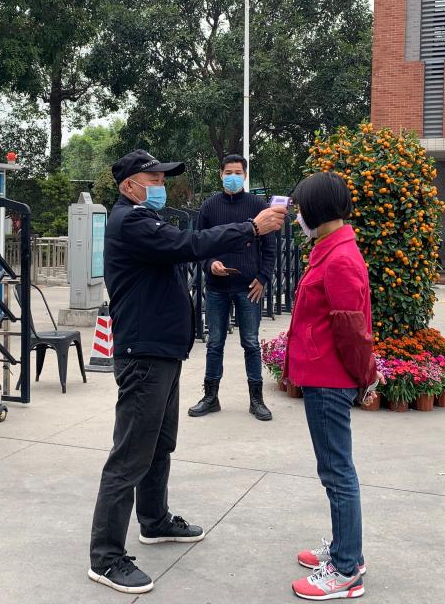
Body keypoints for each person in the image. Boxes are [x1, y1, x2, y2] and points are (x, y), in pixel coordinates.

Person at [89, 149, 287, 595]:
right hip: (144, 353)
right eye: (154, 180)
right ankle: (105, 556)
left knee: (159, 444)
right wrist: (251, 228)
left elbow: (183, 246)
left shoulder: (146, 219)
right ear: (129, 186)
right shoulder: (131, 222)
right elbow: (190, 245)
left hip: (163, 350)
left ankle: (154, 519)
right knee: (129, 455)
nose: (161, 185)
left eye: (163, 179)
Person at [285, 171, 383, 601]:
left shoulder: (339, 257)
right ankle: (347, 552)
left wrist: (366, 376)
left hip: (328, 379)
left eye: (301, 209)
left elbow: (352, 329)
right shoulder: (330, 249)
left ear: (317, 211)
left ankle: (345, 571)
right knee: (335, 471)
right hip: (322, 374)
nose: (298, 217)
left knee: (337, 473)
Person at [189, 154, 276, 421]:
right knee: (215, 342)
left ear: (245, 175)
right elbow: (198, 245)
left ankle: (257, 399)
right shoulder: (209, 206)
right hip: (217, 287)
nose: (233, 177)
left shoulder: (258, 206)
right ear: (220, 174)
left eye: (238, 172)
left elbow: (270, 248)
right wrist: (210, 263)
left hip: (249, 287)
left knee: (250, 342)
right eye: (228, 172)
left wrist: (263, 278)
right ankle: (210, 396)